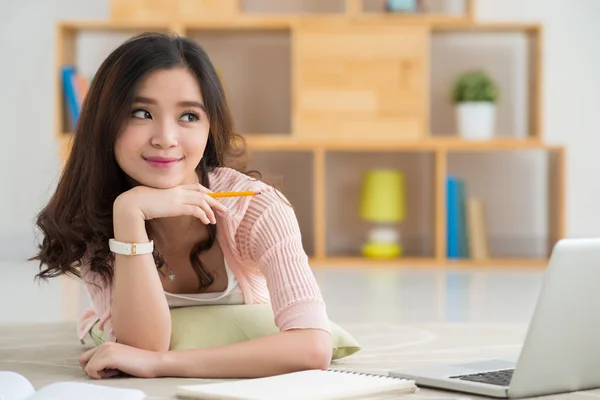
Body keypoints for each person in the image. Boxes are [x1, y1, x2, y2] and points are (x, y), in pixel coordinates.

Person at [30, 32, 332, 380]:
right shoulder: (96, 211)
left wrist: (164, 365)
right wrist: (129, 214)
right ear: (105, 123)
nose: (166, 138)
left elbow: (313, 346)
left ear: (208, 127)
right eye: (141, 113)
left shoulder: (256, 208)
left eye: (188, 116)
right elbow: (141, 346)